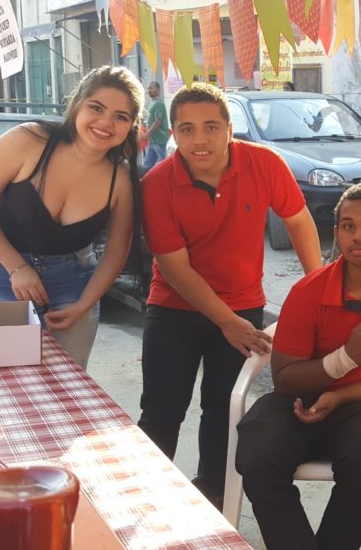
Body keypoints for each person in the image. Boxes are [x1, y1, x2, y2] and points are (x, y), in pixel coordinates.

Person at [139, 82, 322, 508]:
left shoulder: (264, 163)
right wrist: (226, 321)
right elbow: (174, 266)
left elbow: (298, 220)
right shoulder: (157, 183)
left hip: (244, 303)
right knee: (162, 412)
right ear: (173, 133)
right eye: (186, 129)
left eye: (210, 127)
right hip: (173, 308)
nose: (199, 140)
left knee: (224, 411)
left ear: (229, 128)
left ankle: (213, 501)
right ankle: (144, 501)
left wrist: (318, 286)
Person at [236, 183, 361, 550]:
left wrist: (341, 395)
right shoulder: (310, 290)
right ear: (336, 232)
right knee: (257, 452)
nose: (360, 235)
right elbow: (285, 378)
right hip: (299, 398)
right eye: (349, 226)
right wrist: (347, 358)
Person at [0, 66, 141, 369]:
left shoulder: (120, 179)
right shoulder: (27, 140)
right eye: (96, 108)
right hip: (0, 274)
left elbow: (117, 251)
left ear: (131, 126)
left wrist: (84, 305)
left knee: (65, 388)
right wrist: (17, 268)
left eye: (121, 117)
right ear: (76, 105)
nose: (106, 123)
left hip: (75, 284)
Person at [142, 81, 169, 171]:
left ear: (158, 90)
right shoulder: (153, 103)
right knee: (147, 165)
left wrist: (147, 134)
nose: (149, 90)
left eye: (152, 88)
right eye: (148, 88)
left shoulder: (159, 103)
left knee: (164, 165)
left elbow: (158, 122)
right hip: (153, 141)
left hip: (160, 141)